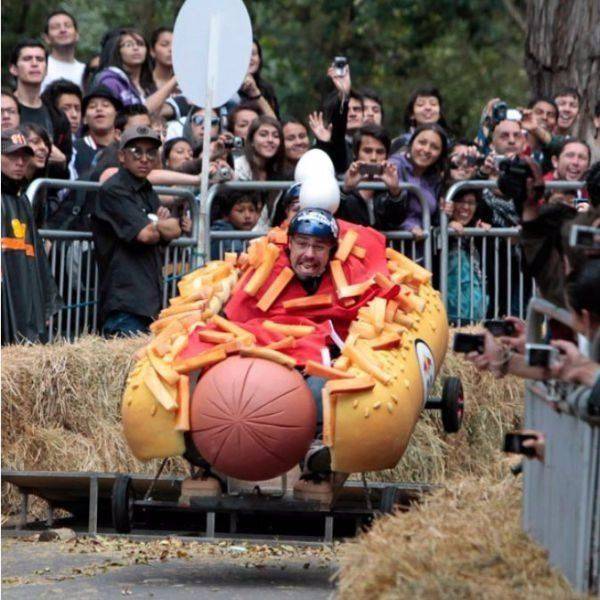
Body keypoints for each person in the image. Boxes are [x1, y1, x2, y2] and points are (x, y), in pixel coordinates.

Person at [91, 125, 181, 336]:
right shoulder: (114, 189)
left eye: (151, 152)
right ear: (122, 156)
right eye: (136, 151)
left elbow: (172, 230)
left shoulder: (146, 189)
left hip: (147, 299)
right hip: (124, 302)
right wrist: (159, 224)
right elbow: (146, 234)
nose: (144, 158)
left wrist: (155, 224)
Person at [1, 128, 62, 344]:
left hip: (22, 296)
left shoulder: (22, 201)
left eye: (24, 156)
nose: (20, 162)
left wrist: (43, 303)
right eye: (11, 156)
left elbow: (36, 260)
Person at [9, 39, 72, 163]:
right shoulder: (4, 108)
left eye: (40, 59)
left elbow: (66, 157)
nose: (34, 63)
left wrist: (62, 160)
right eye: (27, 59)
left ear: (46, 69)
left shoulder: (58, 116)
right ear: (14, 69)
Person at [337, 124, 406, 230]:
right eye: (367, 151)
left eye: (380, 152)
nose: (373, 158)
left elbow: (396, 221)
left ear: (387, 155)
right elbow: (336, 218)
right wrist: (345, 190)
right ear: (356, 153)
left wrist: (395, 193)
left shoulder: (393, 186)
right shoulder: (341, 184)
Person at [94, 28, 177, 114]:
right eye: (128, 45)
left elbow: (155, 112)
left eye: (140, 44)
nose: (136, 48)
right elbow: (142, 113)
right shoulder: (110, 81)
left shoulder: (147, 84)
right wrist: (174, 80)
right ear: (118, 51)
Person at [389, 123, 448, 238]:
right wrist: (409, 226)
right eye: (422, 143)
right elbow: (388, 210)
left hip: (421, 247)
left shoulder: (435, 178)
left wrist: (446, 214)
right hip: (394, 243)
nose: (426, 150)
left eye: (434, 147)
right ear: (411, 143)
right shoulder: (394, 166)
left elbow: (433, 217)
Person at [445, 188, 491, 324]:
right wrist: (446, 227)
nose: (465, 207)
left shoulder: (477, 230)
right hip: (449, 317)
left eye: (471, 203)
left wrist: (485, 235)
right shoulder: (439, 227)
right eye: (460, 201)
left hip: (476, 317)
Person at [69, 85, 122, 180]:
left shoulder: (125, 149)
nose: (99, 109)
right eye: (92, 106)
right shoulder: (74, 149)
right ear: (84, 119)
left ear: (116, 115)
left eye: (105, 105)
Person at [390, 86, 448, 154]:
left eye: (433, 104)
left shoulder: (449, 144)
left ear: (440, 113)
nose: (428, 108)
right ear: (412, 114)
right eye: (420, 104)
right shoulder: (399, 143)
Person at [41, 10, 85, 90]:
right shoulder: (40, 67)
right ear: (46, 38)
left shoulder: (85, 71)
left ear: (77, 35)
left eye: (67, 26)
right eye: (55, 27)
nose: (63, 30)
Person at [210, 190, 261, 259]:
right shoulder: (223, 231)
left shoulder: (244, 234)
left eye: (251, 210)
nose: (247, 216)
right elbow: (239, 257)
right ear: (225, 214)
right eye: (240, 210)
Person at [237, 39, 279, 118]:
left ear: (259, 59)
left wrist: (256, 93)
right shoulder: (224, 88)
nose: (250, 58)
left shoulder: (267, 89)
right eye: (244, 54)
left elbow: (275, 125)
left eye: (253, 54)